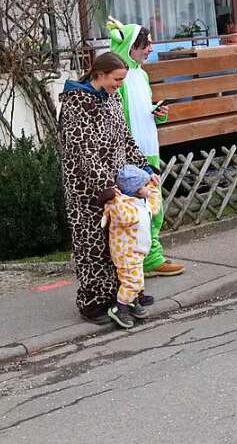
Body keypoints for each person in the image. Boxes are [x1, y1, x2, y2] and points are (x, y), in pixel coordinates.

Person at [58, 52, 156, 324]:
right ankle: (93, 303)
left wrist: (145, 168)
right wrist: (106, 188)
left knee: (120, 244)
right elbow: (83, 153)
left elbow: (124, 137)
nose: (120, 85)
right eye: (117, 79)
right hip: (86, 191)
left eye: (123, 80)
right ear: (99, 75)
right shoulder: (77, 104)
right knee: (93, 247)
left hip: (115, 184)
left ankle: (123, 295)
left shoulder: (111, 98)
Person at [106, 18, 184, 278]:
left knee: (153, 206)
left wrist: (159, 113)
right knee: (138, 209)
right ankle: (143, 260)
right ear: (130, 47)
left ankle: (149, 257)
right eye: (145, 45)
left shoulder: (142, 74)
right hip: (132, 154)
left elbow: (142, 113)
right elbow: (118, 119)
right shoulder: (121, 80)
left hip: (149, 148)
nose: (150, 49)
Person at [103, 164, 162, 329]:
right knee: (132, 281)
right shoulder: (125, 207)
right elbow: (125, 217)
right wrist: (115, 198)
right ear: (135, 189)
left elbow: (154, 207)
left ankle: (132, 301)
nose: (146, 187)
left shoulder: (141, 203)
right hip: (126, 252)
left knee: (138, 279)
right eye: (143, 185)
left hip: (138, 250)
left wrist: (152, 187)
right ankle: (119, 307)